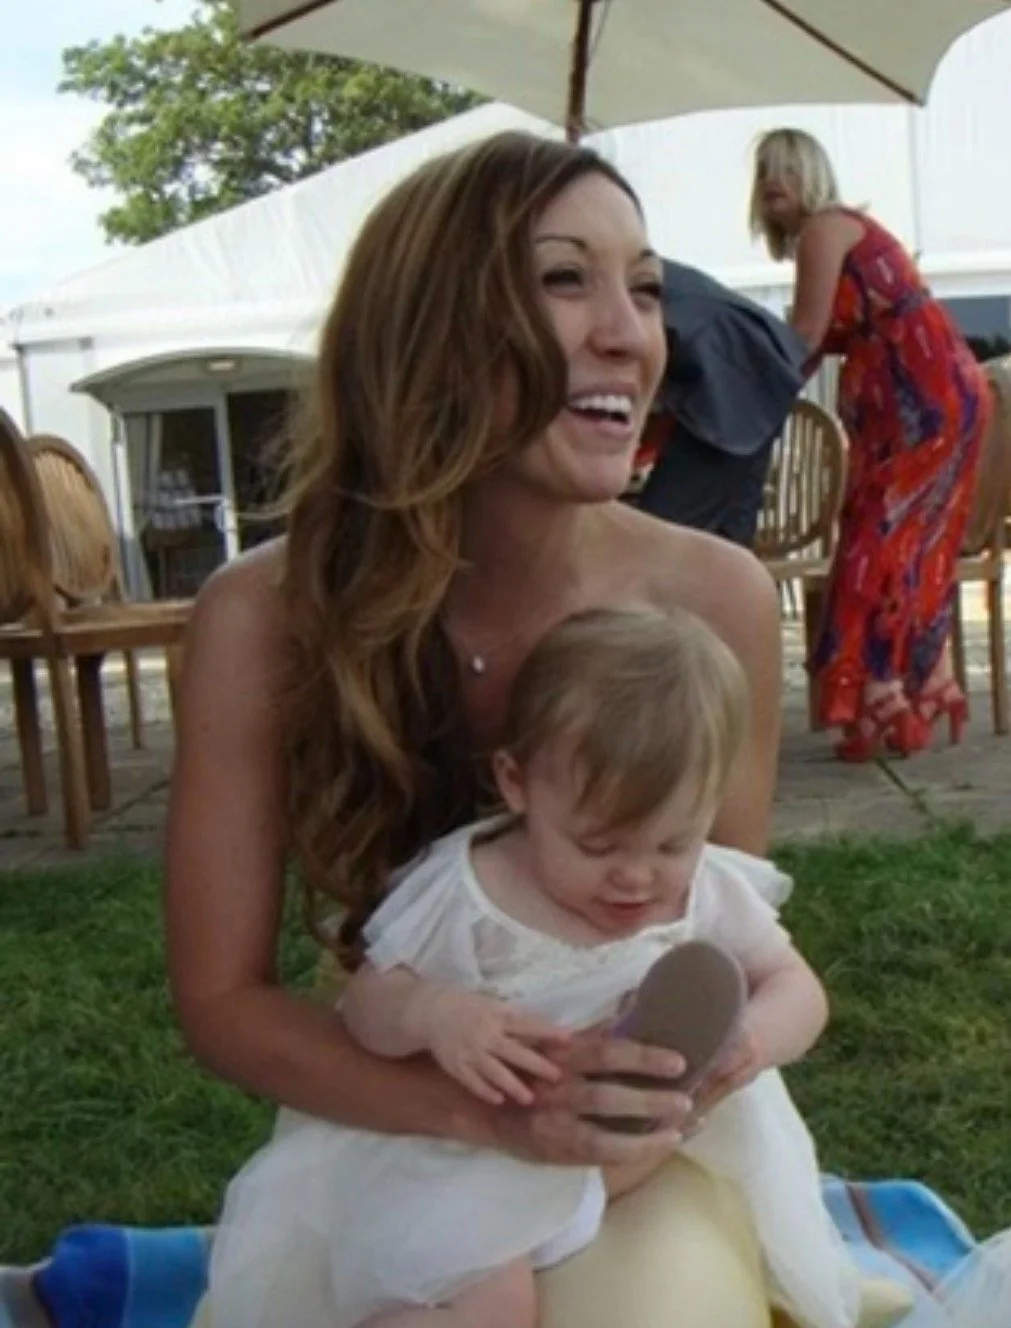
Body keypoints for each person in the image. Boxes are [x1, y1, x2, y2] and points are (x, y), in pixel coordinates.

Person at [168, 129, 789, 1328]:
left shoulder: (714, 603)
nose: (631, 332)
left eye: (645, 286)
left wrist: (639, 1107)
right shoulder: (263, 617)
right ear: (431, 325)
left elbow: (717, 944)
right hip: (397, 1117)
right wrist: (487, 1116)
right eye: (566, 278)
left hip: (644, 1145)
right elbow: (223, 999)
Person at [206, 604, 860, 1328]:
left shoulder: (703, 888)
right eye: (599, 846)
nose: (637, 879)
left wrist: (755, 1038)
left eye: (672, 844)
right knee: (482, 1304)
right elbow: (365, 1002)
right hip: (473, 1163)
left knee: (713, 1276)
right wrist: (433, 1014)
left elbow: (796, 984)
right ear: (516, 783)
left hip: (626, 1165)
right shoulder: (472, 890)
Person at [750, 127, 989, 762]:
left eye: (789, 169)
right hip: (918, 397)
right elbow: (811, 346)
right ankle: (921, 685)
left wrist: (745, 396)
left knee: (877, 542)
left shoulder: (827, 227)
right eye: (765, 170)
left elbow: (800, 338)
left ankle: (882, 688)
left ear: (815, 177)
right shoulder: (829, 235)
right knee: (901, 541)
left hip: (924, 395)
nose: (775, 181)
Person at [633, 259, 808, 546]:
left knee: (660, 533)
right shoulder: (625, 265)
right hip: (758, 360)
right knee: (729, 537)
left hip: (730, 374)